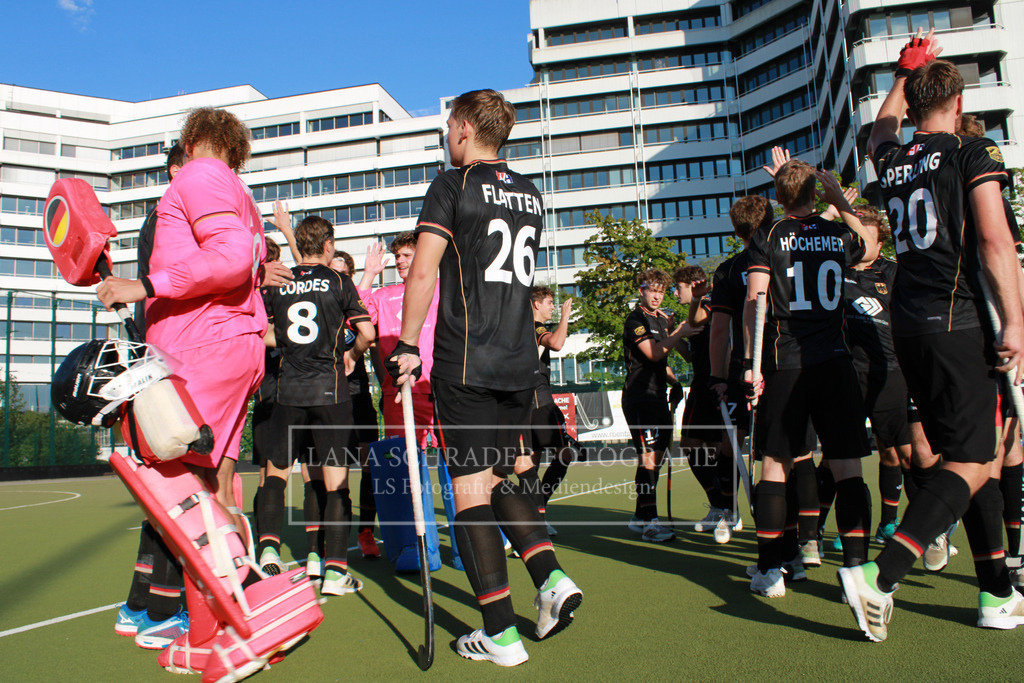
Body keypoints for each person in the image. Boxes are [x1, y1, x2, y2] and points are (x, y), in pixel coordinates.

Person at [840, 30, 1024, 641]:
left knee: (972, 462)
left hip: (911, 326)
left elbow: (879, 131)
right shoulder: (973, 151)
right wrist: (1017, 322)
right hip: (959, 320)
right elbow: (996, 240)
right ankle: (881, 574)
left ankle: (996, 592)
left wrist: (901, 75)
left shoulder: (893, 159)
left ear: (916, 104)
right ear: (959, 102)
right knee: (974, 459)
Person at [388, 89, 582, 666]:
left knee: (471, 491)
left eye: (450, 126)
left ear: (465, 128)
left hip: (468, 362)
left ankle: (501, 633)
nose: (447, 136)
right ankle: (550, 579)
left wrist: (406, 344)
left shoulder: (452, 185)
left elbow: (423, 270)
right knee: (503, 480)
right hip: (520, 365)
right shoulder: (530, 193)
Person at [98, 108, 290, 645]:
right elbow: (238, 257)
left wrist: (144, 286)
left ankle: (167, 610)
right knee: (197, 481)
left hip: (202, 343)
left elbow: (228, 257)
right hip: (229, 343)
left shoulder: (201, 174)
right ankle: (153, 605)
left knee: (173, 480)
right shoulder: (238, 193)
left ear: (192, 140)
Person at [744, 161, 874, 598]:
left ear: (778, 196)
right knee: (847, 466)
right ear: (814, 195)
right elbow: (866, 245)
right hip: (835, 360)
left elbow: (756, 299)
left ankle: (770, 570)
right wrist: (837, 200)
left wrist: (752, 363)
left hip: (788, 361)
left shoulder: (769, 234)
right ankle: (857, 570)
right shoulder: (837, 233)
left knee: (776, 464)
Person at [260, 216, 375, 596]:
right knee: (336, 481)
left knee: (276, 474)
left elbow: (262, 333)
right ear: (328, 245)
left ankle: (268, 548)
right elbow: (367, 333)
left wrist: (290, 345)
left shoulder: (280, 280)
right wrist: (351, 355)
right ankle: (335, 571)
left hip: (288, 392)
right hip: (330, 392)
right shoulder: (339, 281)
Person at [116, 144, 190, 648]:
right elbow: (189, 277)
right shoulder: (171, 213)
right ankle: (165, 609)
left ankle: (140, 603)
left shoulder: (162, 214)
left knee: (166, 485)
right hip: (175, 357)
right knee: (184, 484)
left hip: (159, 355)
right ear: (177, 169)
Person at [839, 206, 913, 545]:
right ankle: (830, 529)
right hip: (848, 374)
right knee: (840, 456)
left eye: (866, 238)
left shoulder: (895, 272)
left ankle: (892, 523)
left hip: (891, 372)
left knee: (896, 452)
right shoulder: (836, 271)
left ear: (880, 243)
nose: (859, 243)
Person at [622, 268, 696, 543]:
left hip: (658, 396)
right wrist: (678, 331)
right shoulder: (636, 319)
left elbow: (671, 360)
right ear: (641, 290)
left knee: (657, 458)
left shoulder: (662, 320)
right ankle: (651, 524)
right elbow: (653, 353)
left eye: (661, 291)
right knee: (649, 459)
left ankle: (640, 516)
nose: (657, 296)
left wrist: (674, 382)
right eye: (652, 290)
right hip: (639, 397)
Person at [674, 265, 737, 543]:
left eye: (679, 287)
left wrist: (697, 301)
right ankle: (722, 507)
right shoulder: (695, 314)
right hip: (704, 383)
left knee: (700, 446)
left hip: (713, 384)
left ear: (693, 285)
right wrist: (675, 334)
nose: (675, 293)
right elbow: (690, 356)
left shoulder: (709, 305)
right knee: (709, 448)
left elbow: (698, 319)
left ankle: (726, 508)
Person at [330, 249, 382, 560]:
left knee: (369, 465)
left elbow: (365, 329)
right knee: (336, 469)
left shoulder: (355, 306)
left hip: (358, 394)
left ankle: (366, 532)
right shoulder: (320, 304)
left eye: (344, 274)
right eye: (333, 273)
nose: (338, 279)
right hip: (328, 395)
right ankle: (335, 536)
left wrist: (369, 276)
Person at [514, 286, 574, 535]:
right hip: (536, 404)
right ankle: (533, 518)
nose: (553, 306)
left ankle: (536, 512)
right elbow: (557, 343)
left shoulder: (528, 327)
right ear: (536, 304)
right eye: (549, 302)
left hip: (538, 402)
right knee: (534, 464)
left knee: (549, 460)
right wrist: (565, 316)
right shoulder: (535, 327)